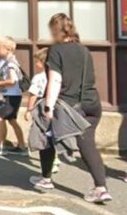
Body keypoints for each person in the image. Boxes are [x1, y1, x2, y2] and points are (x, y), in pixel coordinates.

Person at [30, 13, 112, 204]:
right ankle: (101, 188)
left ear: (55, 30)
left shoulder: (56, 50)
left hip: (68, 105)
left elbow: (55, 80)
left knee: (46, 134)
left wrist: (48, 106)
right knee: (87, 144)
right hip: (92, 103)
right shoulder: (84, 50)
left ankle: (46, 179)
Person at [24, 48, 59, 174]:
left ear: (44, 63)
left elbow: (33, 94)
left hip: (42, 108)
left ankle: (49, 163)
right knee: (54, 135)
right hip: (55, 107)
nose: (36, 64)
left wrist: (29, 110)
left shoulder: (38, 77)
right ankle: (56, 157)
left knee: (43, 135)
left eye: (38, 61)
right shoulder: (57, 76)